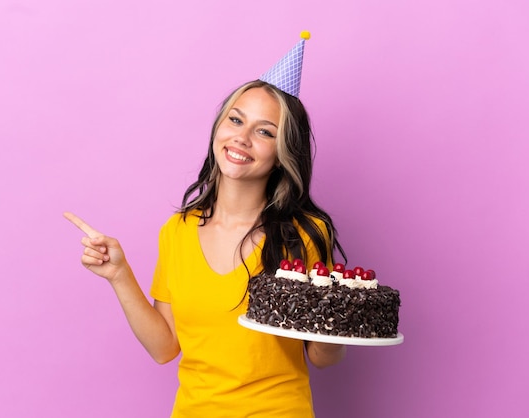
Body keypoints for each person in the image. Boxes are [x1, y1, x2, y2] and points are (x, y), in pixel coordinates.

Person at [64, 32, 347, 417]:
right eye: (236, 120)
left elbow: (322, 356)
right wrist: (119, 274)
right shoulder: (177, 231)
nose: (242, 138)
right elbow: (165, 348)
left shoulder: (306, 234)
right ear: (218, 127)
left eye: (265, 131)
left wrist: (342, 316)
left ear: (282, 154)